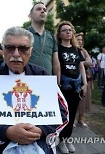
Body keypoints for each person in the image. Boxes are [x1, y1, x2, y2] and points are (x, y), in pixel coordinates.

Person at [0, 26, 68, 154]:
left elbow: (63, 113)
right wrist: (7, 132)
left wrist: (41, 130)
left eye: (23, 48)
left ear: (31, 51)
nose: (16, 54)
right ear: (3, 50)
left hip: (38, 142)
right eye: (10, 48)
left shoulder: (42, 76)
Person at [55, 21, 87, 153]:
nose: (68, 32)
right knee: (64, 115)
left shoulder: (76, 49)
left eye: (70, 30)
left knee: (72, 114)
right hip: (63, 86)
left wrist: (85, 84)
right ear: (60, 34)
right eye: (64, 30)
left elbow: (81, 67)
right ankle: (60, 140)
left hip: (76, 87)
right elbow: (56, 67)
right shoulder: (57, 49)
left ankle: (67, 139)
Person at [28, 2, 60, 85]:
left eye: (45, 10)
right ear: (31, 15)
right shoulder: (23, 34)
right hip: (27, 81)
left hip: (47, 82)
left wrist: (57, 83)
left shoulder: (51, 36)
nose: (42, 11)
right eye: (39, 9)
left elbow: (56, 62)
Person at [75, 33, 92, 128]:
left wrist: (80, 62)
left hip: (85, 77)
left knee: (84, 99)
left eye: (81, 40)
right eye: (78, 39)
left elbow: (90, 62)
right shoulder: (72, 49)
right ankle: (71, 120)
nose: (80, 41)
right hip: (74, 78)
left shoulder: (84, 51)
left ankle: (80, 119)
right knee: (74, 100)